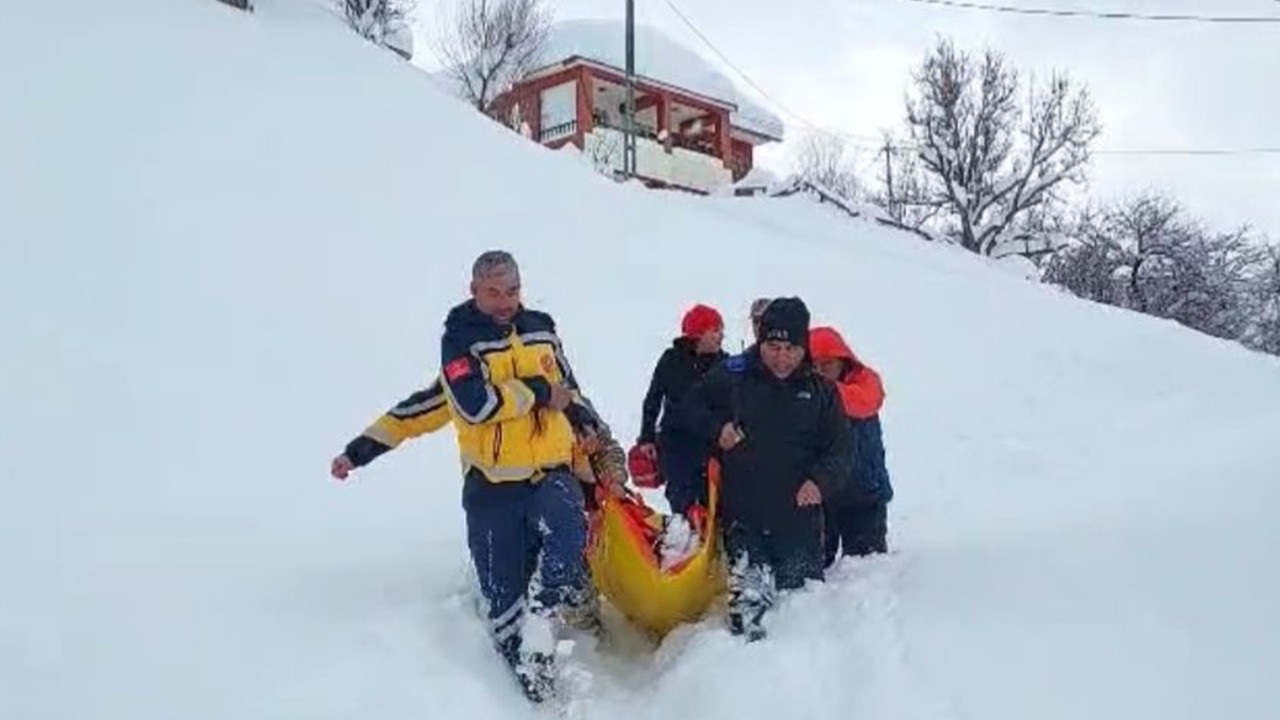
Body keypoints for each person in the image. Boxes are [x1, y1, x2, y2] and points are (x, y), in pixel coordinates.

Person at [329, 250, 602, 702]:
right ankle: (530, 673)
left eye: (512, 291)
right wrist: (358, 452)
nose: (504, 301)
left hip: (550, 473)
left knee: (569, 531)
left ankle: (550, 610)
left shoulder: (541, 327)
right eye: (493, 292)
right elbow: (471, 406)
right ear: (473, 290)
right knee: (504, 605)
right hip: (493, 489)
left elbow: (568, 389)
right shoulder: (461, 342)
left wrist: (584, 419)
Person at [675, 297, 852, 641]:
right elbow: (687, 410)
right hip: (744, 520)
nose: (782, 357)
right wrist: (717, 429)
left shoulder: (822, 392)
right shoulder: (733, 375)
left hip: (799, 521)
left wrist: (820, 482)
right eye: (773, 346)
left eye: (791, 348)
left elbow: (841, 451)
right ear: (761, 340)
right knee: (748, 621)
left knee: (799, 617)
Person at [633, 304, 727, 524]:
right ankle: (687, 527)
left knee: (715, 495)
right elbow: (654, 398)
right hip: (676, 443)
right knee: (681, 492)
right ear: (698, 334)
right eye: (716, 329)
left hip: (711, 442)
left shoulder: (725, 364)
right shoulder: (671, 360)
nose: (721, 335)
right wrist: (646, 437)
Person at [809, 327, 894, 563]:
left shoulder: (866, 380)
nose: (819, 372)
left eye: (826, 365)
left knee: (867, 569)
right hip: (821, 495)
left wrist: (817, 391)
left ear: (843, 361)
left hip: (863, 495)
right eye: (813, 366)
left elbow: (864, 403)